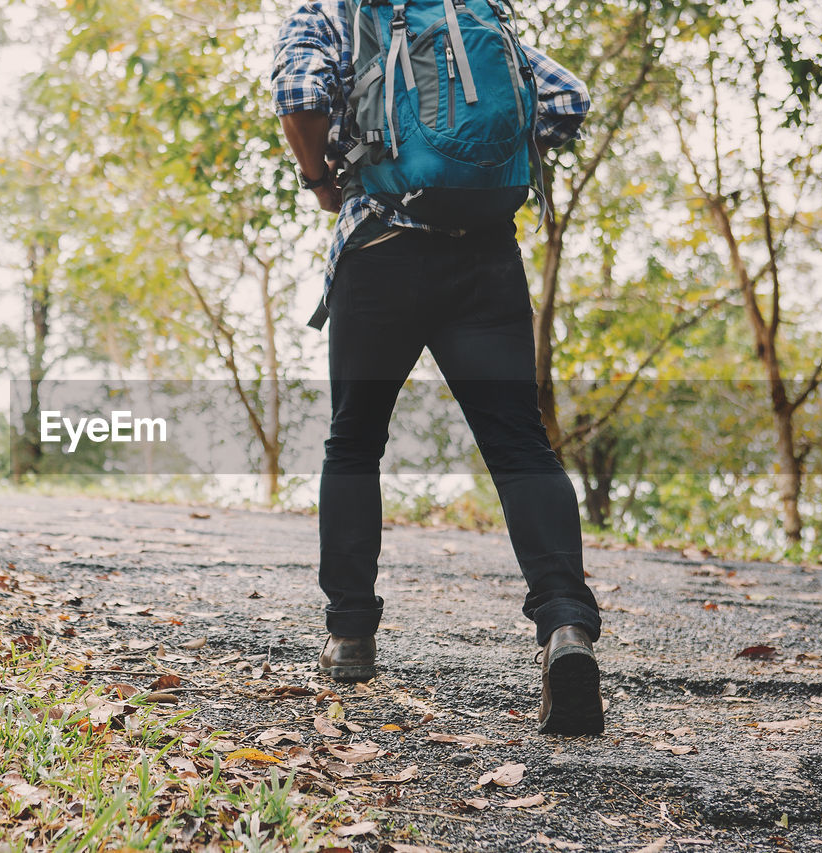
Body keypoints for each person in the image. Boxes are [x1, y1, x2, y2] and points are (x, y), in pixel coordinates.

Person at [272, 0, 605, 735]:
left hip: (380, 248)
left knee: (355, 441)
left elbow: (299, 97)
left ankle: (351, 633)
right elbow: (566, 99)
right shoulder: (472, 9)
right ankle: (565, 626)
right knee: (521, 446)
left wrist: (323, 180)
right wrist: (476, 164)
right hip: (485, 256)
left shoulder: (332, 8)